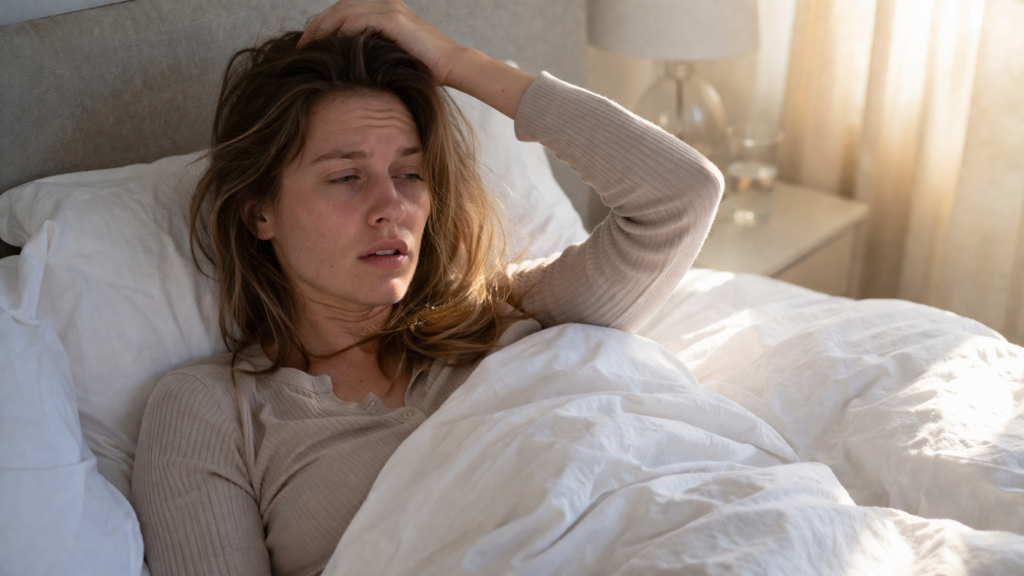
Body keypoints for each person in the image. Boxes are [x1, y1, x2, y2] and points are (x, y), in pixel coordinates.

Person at [130, 1, 723, 574]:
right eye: (345, 177)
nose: (392, 207)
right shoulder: (214, 412)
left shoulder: (503, 310)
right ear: (259, 213)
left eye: (410, 173)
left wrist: (455, 61)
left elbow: (682, 196)